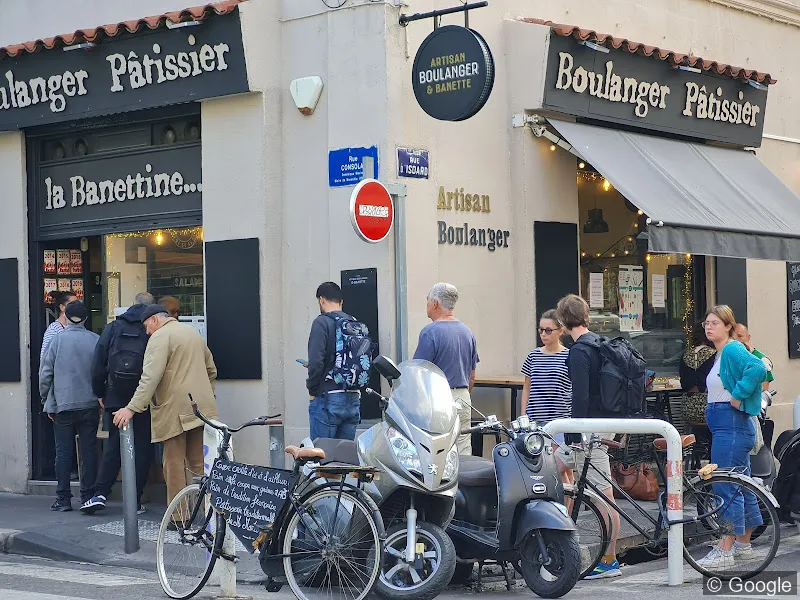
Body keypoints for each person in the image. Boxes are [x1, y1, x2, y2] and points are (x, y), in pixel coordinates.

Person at [112, 304, 218, 510]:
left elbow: (150, 378)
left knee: (173, 463)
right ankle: (209, 514)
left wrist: (132, 408)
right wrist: (205, 392)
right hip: (201, 407)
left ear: (154, 320)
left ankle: (178, 515)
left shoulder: (159, 338)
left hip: (174, 410)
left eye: (146, 326)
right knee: (199, 463)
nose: (146, 331)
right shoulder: (192, 333)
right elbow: (211, 369)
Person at [555, 294, 621, 579]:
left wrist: (573, 430)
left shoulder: (579, 351)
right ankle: (560, 537)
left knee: (604, 497)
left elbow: (580, 397)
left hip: (589, 430)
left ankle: (610, 560)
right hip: (604, 422)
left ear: (561, 321)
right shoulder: (598, 343)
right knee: (553, 467)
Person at [697, 305, 767, 570]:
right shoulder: (721, 353)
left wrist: (738, 394)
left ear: (728, 326)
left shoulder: (732, 348)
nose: (709, 326)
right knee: (740, 483)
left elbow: (757, 368)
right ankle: (743, 545)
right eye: (706, 323)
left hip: (732, 425)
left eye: (715, 322)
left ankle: (725, 549)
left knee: (725, 483)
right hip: (729, 425)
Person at [82, 292, 155, 515]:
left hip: (115, 395)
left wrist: (100, 392)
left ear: (132, 304)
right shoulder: (151, 327)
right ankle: (134, 499)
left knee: (114, 445)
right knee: (142, 447)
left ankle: (100, 493)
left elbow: (98, 363)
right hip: (144, 397)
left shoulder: (114, 327)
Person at [39, 301, 101, 512]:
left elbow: (45, 374)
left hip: (62, 405)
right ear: (85, 318)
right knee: (89, 451)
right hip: (90, 404)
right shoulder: (95, 340)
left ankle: (63, 499)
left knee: (63, 453)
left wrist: (45, 400)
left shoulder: (57, 340)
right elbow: (102, 373)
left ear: (65, 316)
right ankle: (88, 496)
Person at [413, 282, 479, 455]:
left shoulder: (430, 332)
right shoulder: (467, 331)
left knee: (439, 449)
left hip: (438, 398)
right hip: (464, 397)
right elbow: (472, 375)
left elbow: (418, 372)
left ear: (435, 303)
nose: (426, 305)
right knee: (463, 446)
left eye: (427, 300)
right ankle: (465, 481)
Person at [520, 309, 573, 483]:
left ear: (561, 331)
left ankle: (565, 510)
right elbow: (527, 387)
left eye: (548, 330)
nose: (543, 334)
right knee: (545, 467)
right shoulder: (533, 356)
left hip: (560, 421)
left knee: (559, 471)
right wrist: (523, 416)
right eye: (541, 329)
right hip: (536, 421)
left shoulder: (568, 356)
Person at [306, 282, 362, 441]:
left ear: (321, 300)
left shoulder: (321, 322)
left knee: (322, 456)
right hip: (353, 398)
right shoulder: (354, 322)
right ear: (341, 302)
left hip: (328, 398)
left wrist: (312, 390)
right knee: (343, 457)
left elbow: (316, 362)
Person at [680, 321, 717, 466]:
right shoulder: (715, 355)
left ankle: (694, 462)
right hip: (707, 408)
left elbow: (685, 383)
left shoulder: (686, 355)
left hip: (688, 408)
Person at [733, 323, 774, 391]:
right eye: (733, 337)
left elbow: (764, 392)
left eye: (740, 336)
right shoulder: (728, 358)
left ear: (748, 337)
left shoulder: (761, 360)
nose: (737, 340)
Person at [41, 290, 78, 360]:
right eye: (73, 304)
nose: (76, 307)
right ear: (62, 307)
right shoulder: (54, 329)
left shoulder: (79, 327)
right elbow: (45, 358)